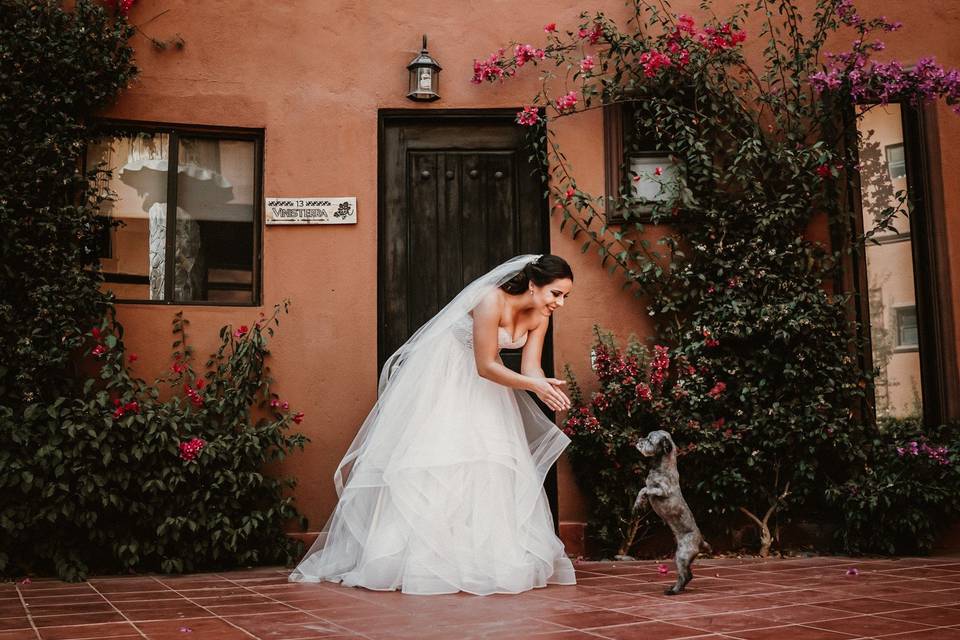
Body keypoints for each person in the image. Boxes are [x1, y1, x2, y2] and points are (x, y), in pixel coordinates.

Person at [289, 254, 577, 595]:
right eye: (555, 293)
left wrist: (544, 387)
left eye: (565, 297)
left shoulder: (539, 317)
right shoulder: (490, 299)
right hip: (449, 377)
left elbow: (530, 367)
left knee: (489, 462)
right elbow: (484, 364)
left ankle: (479, 558)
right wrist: (533, 386)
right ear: (533, 284)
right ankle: (421, 560)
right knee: (440, 459)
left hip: (492, 388)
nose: (559, 302)